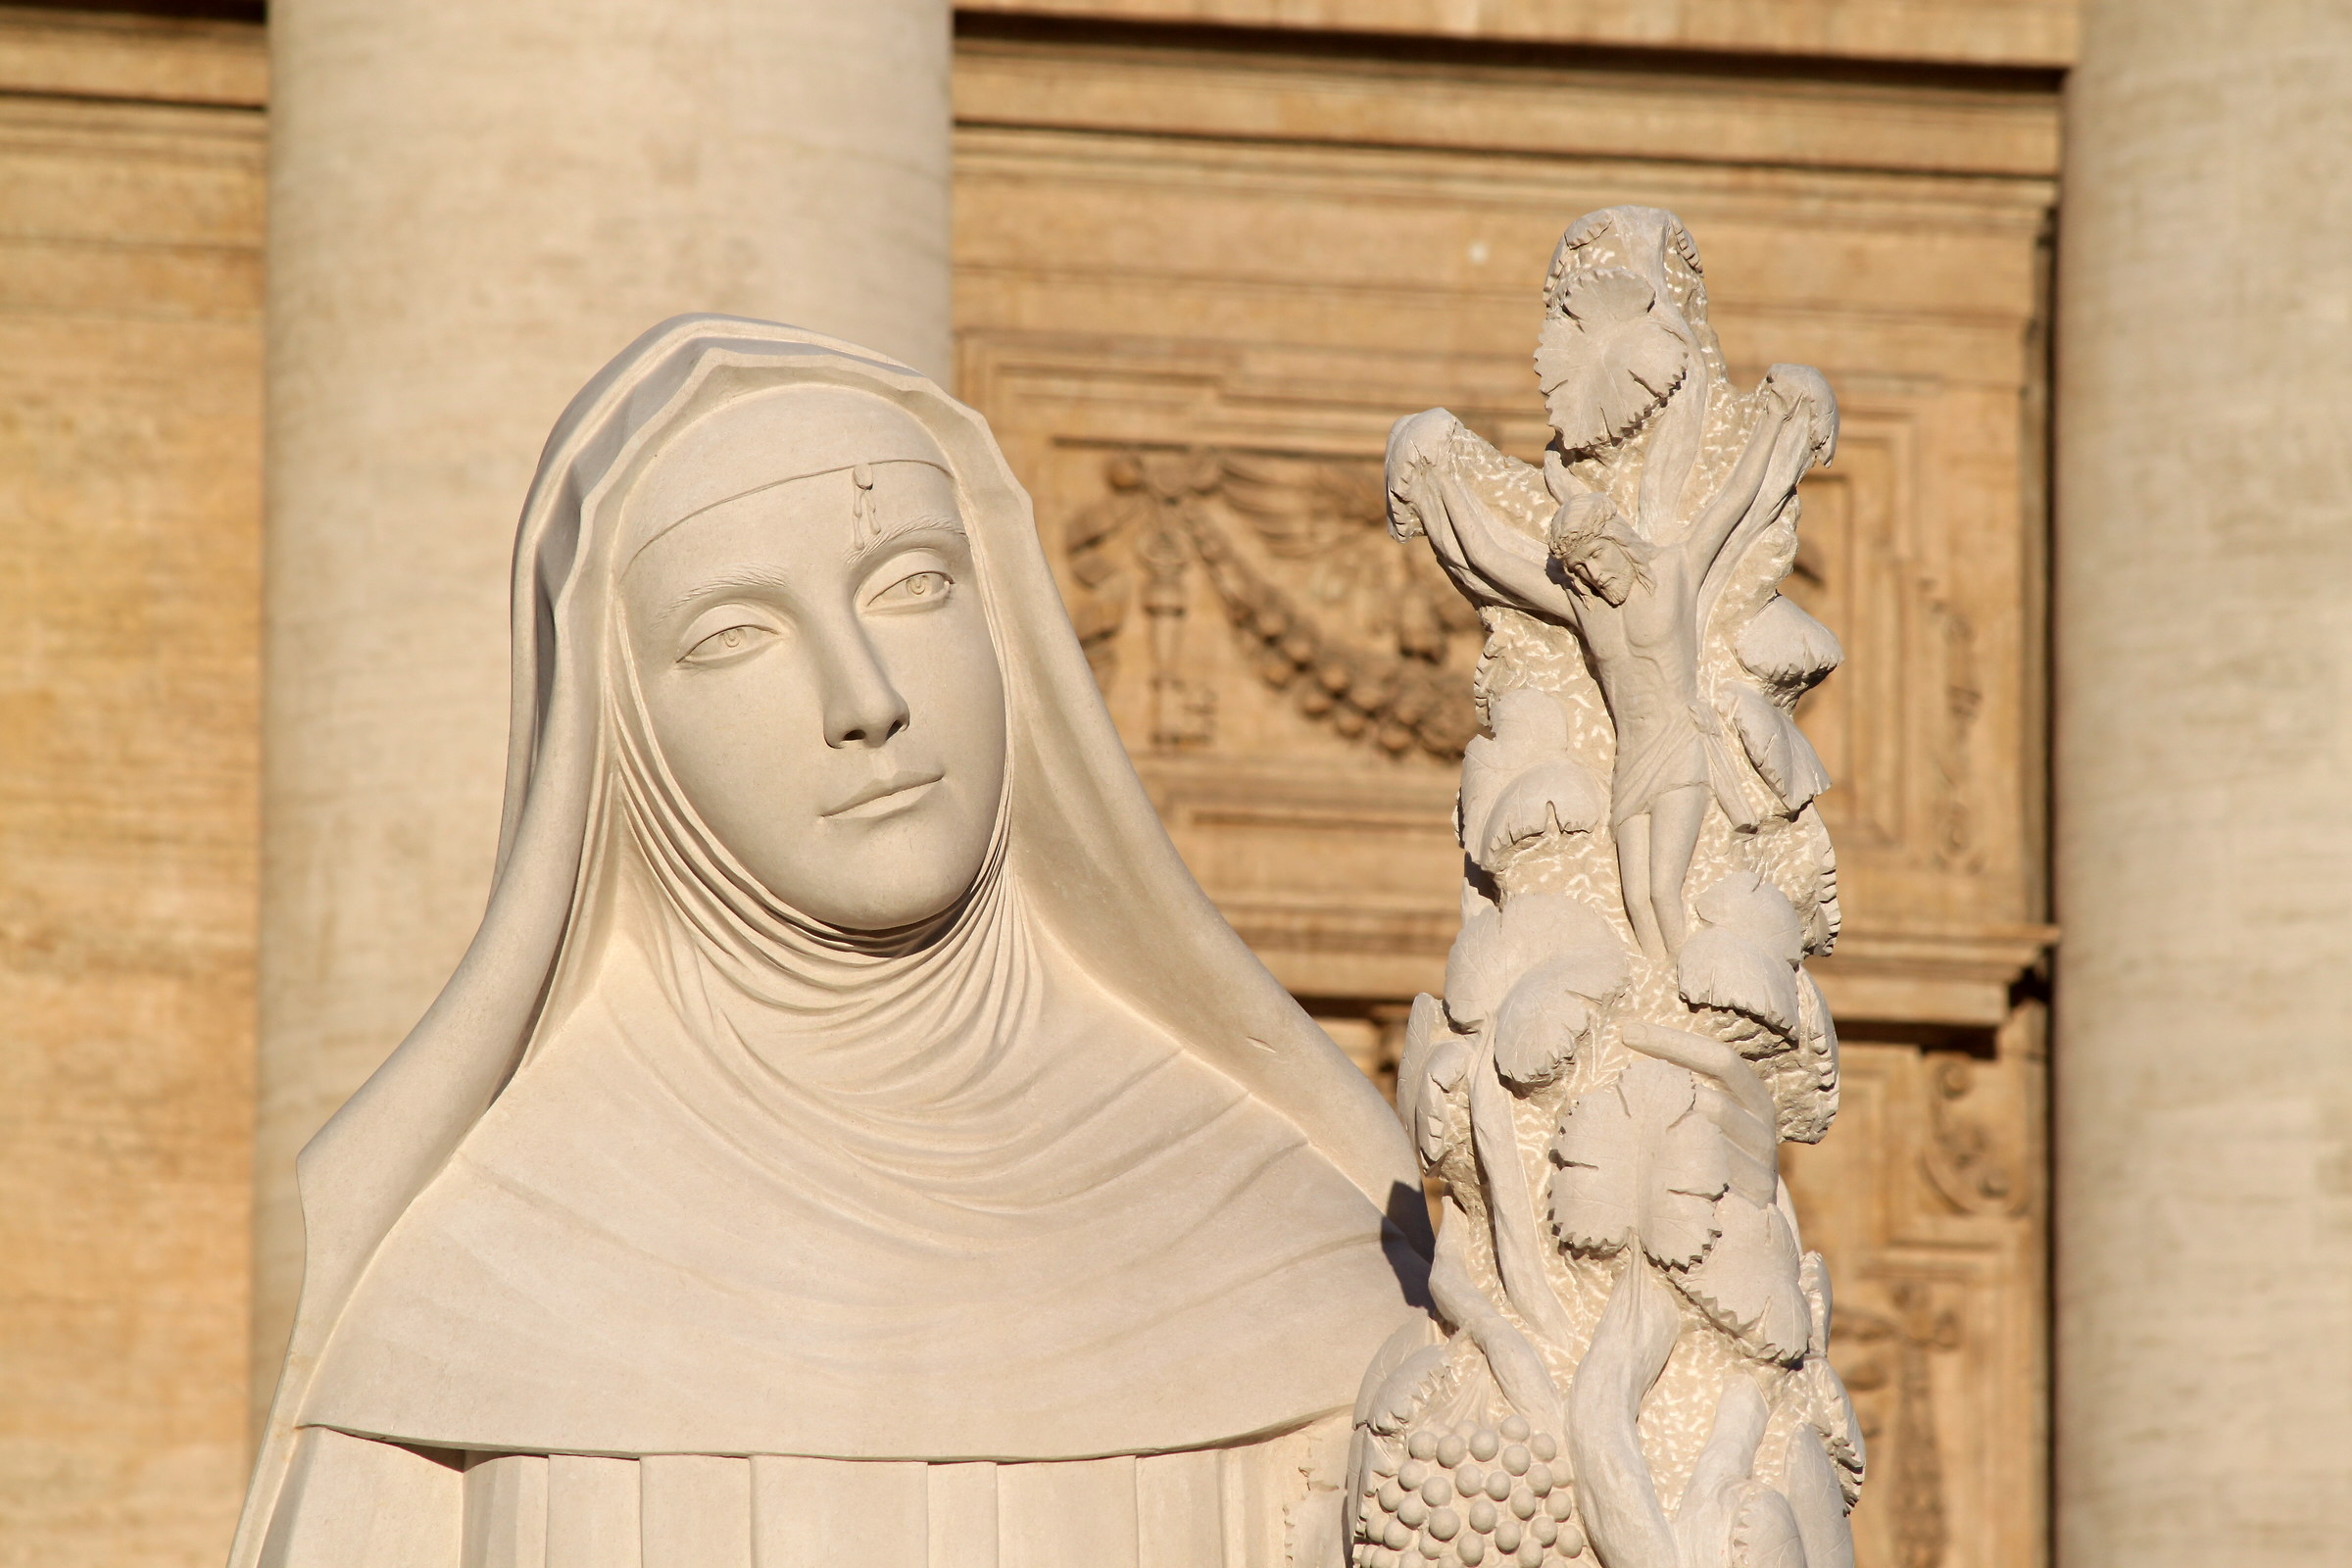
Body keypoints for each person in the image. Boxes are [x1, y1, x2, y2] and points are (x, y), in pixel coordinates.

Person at [230, 318, 1430, 1568]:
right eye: (735, 634)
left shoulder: (1292, 1236)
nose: (867, 700)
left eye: (912, 586)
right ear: (623, 731)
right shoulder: (485, 1283)